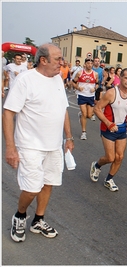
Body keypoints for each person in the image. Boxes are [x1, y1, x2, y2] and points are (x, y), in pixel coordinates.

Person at [3, 43, 74, 242]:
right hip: (30, 145)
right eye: (58, 59)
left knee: (48, 183)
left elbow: (64, 109)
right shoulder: (26, 80)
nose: (62, 62)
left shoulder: (58, 79)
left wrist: (68, 137)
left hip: (54, 145)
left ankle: (38, 220)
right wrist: (10, 147)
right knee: (32, 187)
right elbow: (8, 113)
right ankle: (20, 215)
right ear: (43, 60)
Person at [90, 68, 127, 192]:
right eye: (126, 78)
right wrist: (108, 123)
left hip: (121, 130)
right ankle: (97, 165)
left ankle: (109, 179)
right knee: (110, 157)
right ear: (120, 77)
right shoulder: (111, 93)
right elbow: (97, 109)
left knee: (120, 157)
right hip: (108, 129)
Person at [72, 58, 99, 140]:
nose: (90, 65)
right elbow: (73, 82)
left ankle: (81, 115)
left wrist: (94, 89)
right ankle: (84, 132)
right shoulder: (80, 73)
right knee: (84, 114)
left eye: (91, 63)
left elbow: (97, 84)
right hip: (82, 95)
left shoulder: (95, 74)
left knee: (89, 115)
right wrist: (78, 87)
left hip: (90, 96)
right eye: (88, 63)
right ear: (85, 64)